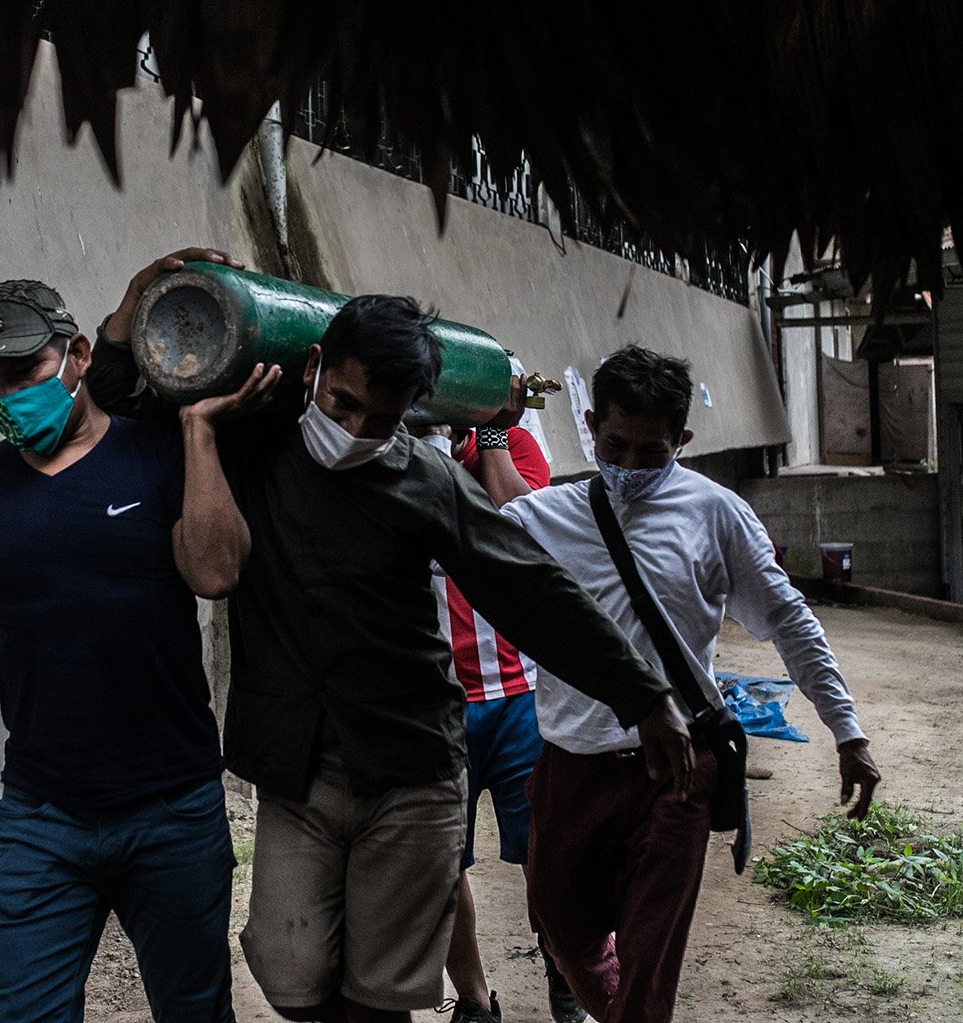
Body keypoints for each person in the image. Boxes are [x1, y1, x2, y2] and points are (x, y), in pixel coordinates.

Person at [88, 259, 689, 1023]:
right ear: (314, 369)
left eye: (381, 418)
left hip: (410, 767)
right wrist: (134, 301)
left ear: (410, 413)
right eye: (342, 404)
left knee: (379, 996)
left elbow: (532, 591)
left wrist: (644, 695)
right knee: (292, 973)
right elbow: (122, 398)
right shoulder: (250, 441)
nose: (354, 431)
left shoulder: (426, 482)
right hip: (299, 771)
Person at [0, 265, 278, 1023]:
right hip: (43, 814)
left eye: (25, 371)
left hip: (171, 809)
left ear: (78, 355)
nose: (8, 395)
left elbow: (215, 573)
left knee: (194, 1010)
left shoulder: (160, 453)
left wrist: (197, 430)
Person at [502, 345, 883, 1023]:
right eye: (615, 446)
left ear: (682, 440)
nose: (627, 468)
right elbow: (449, 553)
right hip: (571, 764)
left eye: (651, 453)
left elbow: (789, 622)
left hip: (676, 768)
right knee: (562, 928)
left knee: (651, 953)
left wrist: (846, 730)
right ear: (590, 426)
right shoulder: (543, 519)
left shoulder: (717, 514)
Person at [422, 420, 582, 1023]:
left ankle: (565, 974)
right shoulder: (398, 455)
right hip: (438, 703)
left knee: (548, 853)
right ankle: (473, 1001)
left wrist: (487, 438)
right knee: (442, 864)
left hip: (520, 697)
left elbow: (521, 519)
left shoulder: (512, 447)